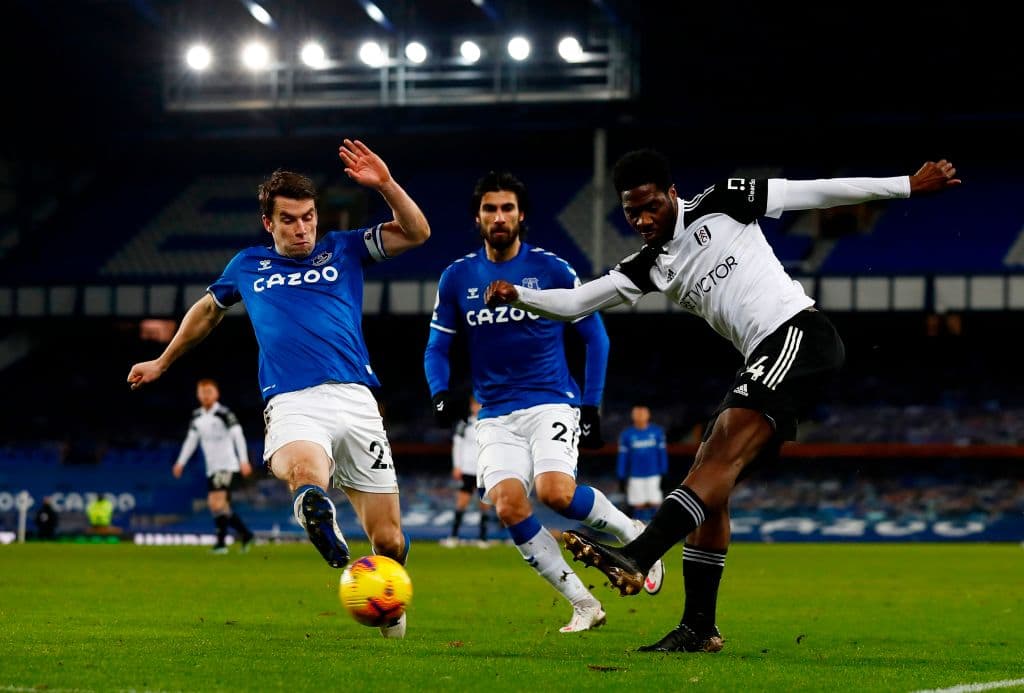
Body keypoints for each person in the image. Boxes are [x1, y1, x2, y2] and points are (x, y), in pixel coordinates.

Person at [485, 150, 960, 652]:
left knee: (716, 458)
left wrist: (906, 185)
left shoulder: (726, 200)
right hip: (766, 354)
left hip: (798, 333)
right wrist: (519, 295)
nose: (643, 220)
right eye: (632, 213)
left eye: (651, 207)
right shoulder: (650, 265)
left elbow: (814, 191)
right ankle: (698, 627)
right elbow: (578, 301)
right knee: (712, 488)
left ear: (672, 194)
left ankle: (639, 552)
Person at [127, 139, 430, 638]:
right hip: (292, 399)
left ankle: (389, 607)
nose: (301, 227)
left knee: (390, 539)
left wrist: (386, 186)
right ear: (269, 224)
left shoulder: (345, 247)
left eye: (308, 216)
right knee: (308, 472)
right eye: (288, 219)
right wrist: (163, 360)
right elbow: (207, 312)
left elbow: (417, 233)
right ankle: (315, 509)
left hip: (357, 400)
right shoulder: (248, 265)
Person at [424, 170, 663, 634]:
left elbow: (596, 339)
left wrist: (591, 406)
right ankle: (584, 603)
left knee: (555, 493)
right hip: (493, 414)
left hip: (551, 401)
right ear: (477, 217)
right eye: (490, 209)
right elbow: (437, 346)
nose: (499, 217)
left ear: (521, 216)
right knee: (509, 505)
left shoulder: (553, 270)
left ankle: (634, 534)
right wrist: (438, 393)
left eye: (507, 208)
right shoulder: (456, 278)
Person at [173, 378, 255, 554]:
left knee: (215, 503)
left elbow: (237, 435)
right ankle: (246, 534)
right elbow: (191, 440)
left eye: (209, 392)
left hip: (227, 465)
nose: (205, 396)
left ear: (216, 394)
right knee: (220, 506)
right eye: (202, 392)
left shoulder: (224, 413)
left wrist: (244, 460)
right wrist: (181, 462)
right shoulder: (197, 416)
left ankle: (221, 544)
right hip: (212, 467)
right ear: (198, 394)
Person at [441, 396, 492, 547]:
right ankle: (454, 536)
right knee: (462, 502)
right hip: (468, 469)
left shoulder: (490, 424)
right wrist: (457, 466)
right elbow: (457, 445)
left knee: (484, 504)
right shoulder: (464, 424)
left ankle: (483, 539)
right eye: (475, 404)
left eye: (480, 404)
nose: (477, 407)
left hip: (484, 469)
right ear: (471, 406)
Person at [617, 404, 669, 521]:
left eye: (643, 412)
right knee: (638, 504)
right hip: (635, 476)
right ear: (633, 415)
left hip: (654, 474)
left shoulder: (657, 432)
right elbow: (623, 457)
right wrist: (621, 475)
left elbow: (662, 454)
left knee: (656, 503)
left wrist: (664, 472)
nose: (640, 415)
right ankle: (638, 533)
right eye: (637, 413)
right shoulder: (627, 435)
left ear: (648, 415)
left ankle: (658, 531)